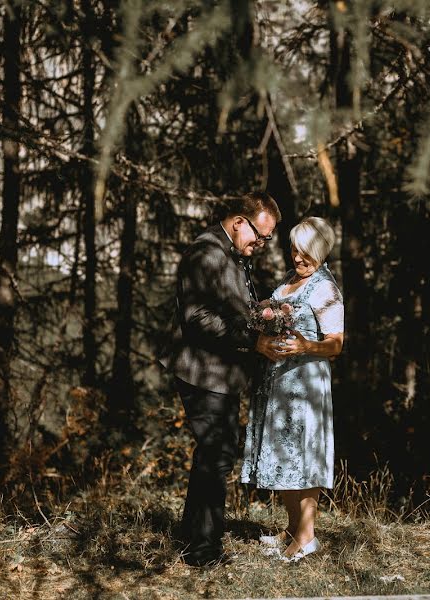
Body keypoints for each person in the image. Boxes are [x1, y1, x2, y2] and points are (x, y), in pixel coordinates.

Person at [165, 191, 283, 567]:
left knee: (216, 455)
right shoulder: (207, 253)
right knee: (216, 456)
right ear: (238, 223)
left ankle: (195, 539)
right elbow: (198, 318)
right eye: (259, 236)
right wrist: (254, 339)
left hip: (222, 374)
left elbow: (231, 308)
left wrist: (264, 313)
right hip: (203, 373)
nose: (261, 245)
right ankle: (203, 553)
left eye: (266, 239)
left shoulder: (232, 253)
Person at [240, 216, 345, 562]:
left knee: (303, 456)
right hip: (278, 382)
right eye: (294, 252)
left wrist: (305, 347)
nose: (297, 259)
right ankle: (291, 527)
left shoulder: (325, 287)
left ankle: (306, 536)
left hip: (305, 385)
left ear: (320, 252)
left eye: (305, 254)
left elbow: (335, 344)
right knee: (285, 456)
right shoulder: (289, 280)